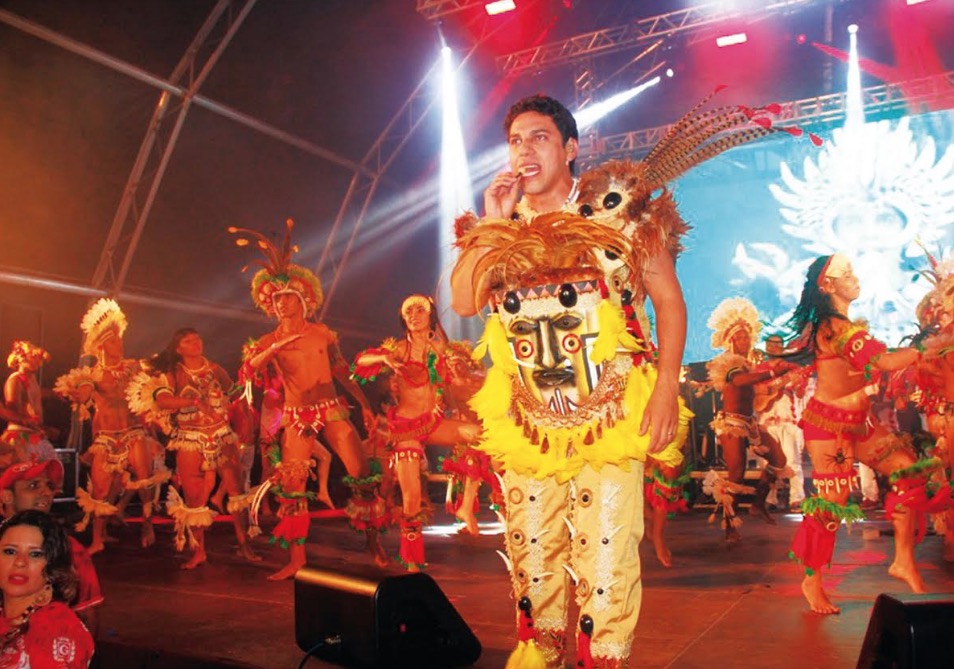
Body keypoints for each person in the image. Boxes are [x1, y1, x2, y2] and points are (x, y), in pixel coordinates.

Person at [786, 253, 949, 615]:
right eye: (848, 275)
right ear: (828, 285)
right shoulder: (833, 327)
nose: (856, 279)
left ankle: (903, 560)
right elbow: (884, 362)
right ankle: (811, 580)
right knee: (833, 504)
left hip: (862, 424)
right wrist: (928, 346)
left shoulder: (845, 325)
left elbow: (882, 358)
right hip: (829, 426)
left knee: (908, 470)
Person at [230, 220, 387, 580]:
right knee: (292, 486)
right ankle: (297, 558)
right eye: (276, 299)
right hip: (296, 415)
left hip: (331, 409)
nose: (281, 303)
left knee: (362, 476)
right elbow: (247, 375)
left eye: (288, 297)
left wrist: (363, 403)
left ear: (303, 301)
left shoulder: (321, 334)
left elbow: (341, 370)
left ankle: (373, 542)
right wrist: (272, 350)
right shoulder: (268, 341)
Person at [351, 295, 482, 570]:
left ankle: (466, 506)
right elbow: (360, 362)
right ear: (403, 319)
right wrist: (384, 358)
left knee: (479, 435)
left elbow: (458, 379)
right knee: (410, 498)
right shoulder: (399, 349)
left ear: (430, 315)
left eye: (420, 309)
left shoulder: (440, 347)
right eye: (408, 311)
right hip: (406, 428)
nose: (414, 314)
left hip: (433, 422)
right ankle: (412, 563)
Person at [129, 329, 259, 569]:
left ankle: (244, 545)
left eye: (197, 338)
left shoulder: (216, 369)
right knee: (194, 498)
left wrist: (246, 424)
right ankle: (199, 552)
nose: (195, 343)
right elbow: (162, 400)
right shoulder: (173, 374)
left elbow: (235, 396)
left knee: (237, 493)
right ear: (179, 349)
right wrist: (194, 401)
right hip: (189, 439)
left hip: (221, 435)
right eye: (188, 341)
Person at [53, 299, 169, 553]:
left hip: (133, 433)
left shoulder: (133, 368)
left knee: (144, 476)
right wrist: (75, 395)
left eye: (120, 338)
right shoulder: (91, 375)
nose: (120, 343)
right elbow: (83, 394)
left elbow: (149, 393)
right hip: (105, 438)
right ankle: (97, 539)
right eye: (114, 340)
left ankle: (147, 523)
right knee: (102, 492)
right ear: (102, 345)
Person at [705, 298, 798, 542]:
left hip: (750, 422)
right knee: (736, 474)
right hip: (732, 424)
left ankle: (758, 503)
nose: (746, 341)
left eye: (748, 337)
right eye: (741, 338)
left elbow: (752, 388)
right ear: (731, 341)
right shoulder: (728, 363)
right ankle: (729, 525)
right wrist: (771, 372)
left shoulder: (748, 363)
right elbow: (738, 382)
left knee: (779, 459)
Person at [0, 459, 102, 637]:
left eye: (49, 486)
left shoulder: (70, 549)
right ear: (6, 497)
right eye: (33, 485)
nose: (46, 492)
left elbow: (86, 613)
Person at [0, 510, 94, 668]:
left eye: (35, 554)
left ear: (53, 567)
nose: (20, 562)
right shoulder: (7, 617)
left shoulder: (56, 627)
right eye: (10, 551)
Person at [760, 334, 808, 512]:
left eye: (778, 344)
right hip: (766, 422)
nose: (774, 347)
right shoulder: (759, 369)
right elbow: (756, 394)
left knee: (793, 460)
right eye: (771, 344)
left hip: (788, 421)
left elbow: (801, 393)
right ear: (766, 346)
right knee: (768, 464)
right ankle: (769, 498)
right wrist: (768, 390)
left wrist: (797, 383)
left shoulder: (792, 368)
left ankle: (797, 498)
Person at [2, 341, 58, 466]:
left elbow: (36, 394)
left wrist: (55, 393)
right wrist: (28, 421)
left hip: (33, 434)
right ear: (21, 359)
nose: (37, 362)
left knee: (47, 474)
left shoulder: (32, 380)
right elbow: (10, 410)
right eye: (33, 357)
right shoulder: (15, 380)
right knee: (26, 477)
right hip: (21, 435)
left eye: (38, 359)